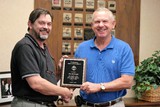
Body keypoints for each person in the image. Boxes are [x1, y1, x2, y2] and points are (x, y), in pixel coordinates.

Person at [10, 8, 73, 107]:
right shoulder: (25, 47)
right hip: (29, 104)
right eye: (41, 23)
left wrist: (59, 72)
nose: (46, 27)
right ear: (30, 24)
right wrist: (63, 92)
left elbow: (46, 81)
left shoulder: (44, 48)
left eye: (49, 24)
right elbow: (36, 83)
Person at [74, 7, 135, 107]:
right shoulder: (82, 48)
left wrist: (100, 86)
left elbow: (127, 82)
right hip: (85, 104)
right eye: (97, 21)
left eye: (105, 21)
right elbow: (75, 76)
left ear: (113, 24)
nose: (101, 25)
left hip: (114, 105)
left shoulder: (124, 48)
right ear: (92, 25)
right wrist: (63, 69)